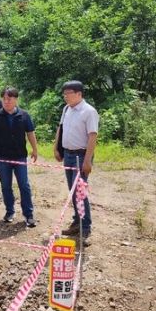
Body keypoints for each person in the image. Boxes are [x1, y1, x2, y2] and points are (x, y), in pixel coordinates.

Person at [0, 87, 38, 228]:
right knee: (6, 186)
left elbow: (30, 133)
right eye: (4, 99)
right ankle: (9, 212)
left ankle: (28, 215)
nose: (6, 101)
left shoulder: (24, 115)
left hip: (19, 157)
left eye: (9, 99)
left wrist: (35, 149)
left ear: (16, 99)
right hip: (2, 157)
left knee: (24, 185)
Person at [53, 80, 99, 242]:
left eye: (68, 94)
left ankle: (85, 227)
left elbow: (93, 136)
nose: (65, 97)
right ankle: (77, 221)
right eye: (64, 94)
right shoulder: (67, 109)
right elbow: (61, 128)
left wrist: (88, 161)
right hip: (68, 154)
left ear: (79, 94)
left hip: (81, 156)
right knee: (72, 191)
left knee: (80, 192)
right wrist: (56, 148)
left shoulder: (89, 111)